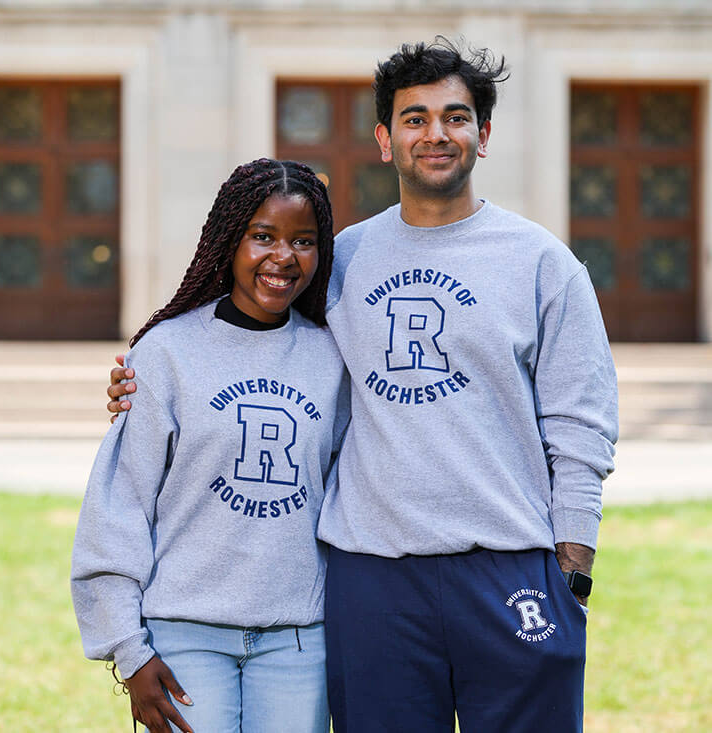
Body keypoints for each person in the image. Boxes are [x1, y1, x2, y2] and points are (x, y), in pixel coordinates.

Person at [107, 40, 618, 733]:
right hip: (373, 575)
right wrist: (145, 376)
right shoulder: (337, 259)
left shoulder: (542, 265)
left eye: (455, 117)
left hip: (510, 565)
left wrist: (573, 562)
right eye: (413, 118)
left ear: (484, 134)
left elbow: (580, 419)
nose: (435, 133)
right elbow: (255, 346)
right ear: (384, 138)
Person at [72, 158, 348, 733]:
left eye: (304, 241)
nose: (283, 256)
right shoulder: (167, 353)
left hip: (299, 638)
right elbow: (119, 505)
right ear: (229, 240)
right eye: (263, 236)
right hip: (183, 634)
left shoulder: (333, 357)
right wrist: (129, 648)